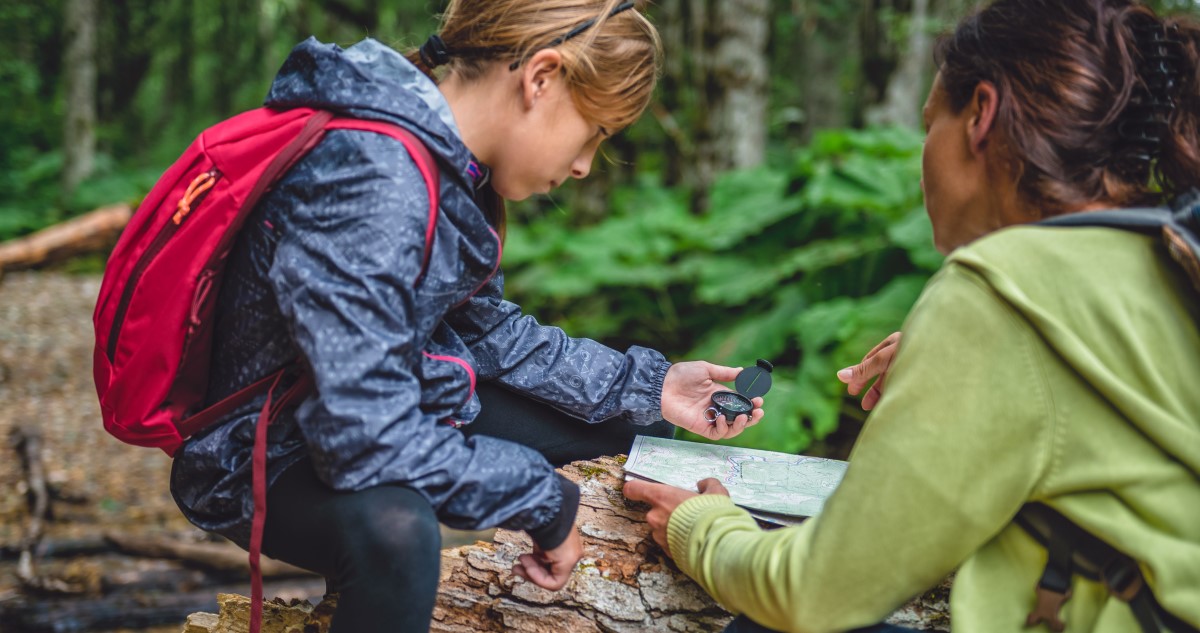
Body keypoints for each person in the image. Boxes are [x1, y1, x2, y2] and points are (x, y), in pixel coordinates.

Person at [167, 2, 765, 631]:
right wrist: (541, 499)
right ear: (541, 77)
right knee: (398, 535)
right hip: (267, 450)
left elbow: (483, 331)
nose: (585, 164)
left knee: (627, 433)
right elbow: (362, 436)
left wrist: (649, 387)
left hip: (379, 404)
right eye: (595, 131)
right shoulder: (372, 178)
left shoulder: (450, 168)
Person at [624, 0, 1200, 631]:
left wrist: (703, 526)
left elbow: (812, 594)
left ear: (981, 115)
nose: (924, 154)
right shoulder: (1169, 251)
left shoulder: (1003, 289)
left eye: (932, 124)